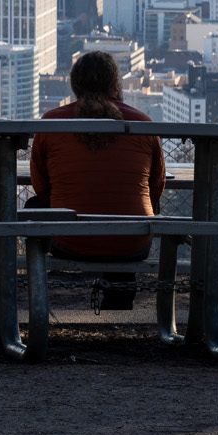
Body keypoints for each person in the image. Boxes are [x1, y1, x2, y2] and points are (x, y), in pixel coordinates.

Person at [30, 50, 165, 310]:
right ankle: (120, 302)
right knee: (132, 211)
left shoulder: (52, 123)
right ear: (115, 83)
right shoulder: (142, 123)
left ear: (74, 83)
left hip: (69, 240)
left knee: (33, 207)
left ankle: (37, 301)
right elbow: (156, 187)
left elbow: (41, 186)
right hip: (131, 242)